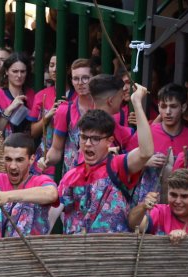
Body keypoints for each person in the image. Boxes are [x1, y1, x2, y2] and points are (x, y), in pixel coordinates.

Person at [58, 85, 154, 234]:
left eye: (95, 139)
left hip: (112, 252)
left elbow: (146, 152)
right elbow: (55, 210)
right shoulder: (71, 175)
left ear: (109, 141)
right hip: (77, 252)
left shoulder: (118, 165)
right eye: (84, 137)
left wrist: (136, 103)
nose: (88, 144)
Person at [0, 133, 58, 239]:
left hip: (29, 251)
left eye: (19, 160)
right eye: (8, 159)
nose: (13, 166)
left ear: (31, 159)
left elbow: (51, 194)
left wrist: (7, 196)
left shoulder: (40, 180)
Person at [40, 58, 96, 176]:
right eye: (76, 78)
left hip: (100, 179)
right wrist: (46, 160)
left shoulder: (105, 108)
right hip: (73, 178)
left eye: (85, 78)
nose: (80, 82)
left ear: (94, 78)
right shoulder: (65, 110)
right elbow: (56, 149)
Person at [129, 169, 188, 241]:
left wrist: (185, 241)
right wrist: (143, 207)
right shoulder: (160, 212)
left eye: (184, 196)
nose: (178, 201)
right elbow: (134, 224)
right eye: (173, 195)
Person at [0, 52, 35, 136]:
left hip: (27, 146)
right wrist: (9, 109)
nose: (19, 75)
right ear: (6, 71)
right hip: (3, 145)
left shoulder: (32, 94)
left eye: (22, 71)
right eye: (15, 71)